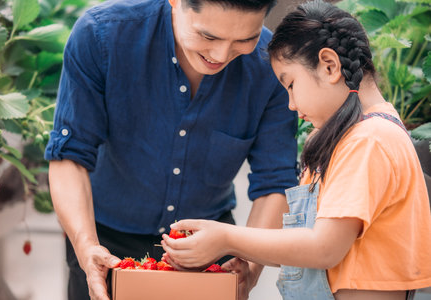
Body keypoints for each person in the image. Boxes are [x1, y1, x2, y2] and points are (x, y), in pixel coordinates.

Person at [161, 1, 431, 299]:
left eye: (290, 85)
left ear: (329, 66)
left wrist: (226, 238)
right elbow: (311, 248)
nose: (291, 105)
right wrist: (245, 256)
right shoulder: (365, 134)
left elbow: (324, 248)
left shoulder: (369, 139)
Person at [45, 0, 298, 299]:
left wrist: (250, 268)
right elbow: (69, 156)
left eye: (244, 40)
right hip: (103, 242)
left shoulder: (270, 66)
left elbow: (276, 182)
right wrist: (86, 245)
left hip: (210, 250)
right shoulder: (101, 35)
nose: (220, 55)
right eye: (208, 36)